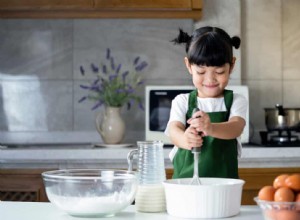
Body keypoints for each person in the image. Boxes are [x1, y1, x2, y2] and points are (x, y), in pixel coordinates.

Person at [165, 26, 248, 179]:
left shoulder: (236, 101)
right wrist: (185, 139)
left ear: (232, 65)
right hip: (186, 185)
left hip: (224, 186)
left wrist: (210, 128)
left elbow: (236, 127)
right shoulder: (182, 101)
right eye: (201, 72)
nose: (210, 80)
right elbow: (173, 130)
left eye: (219, 72)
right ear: (189, 65)